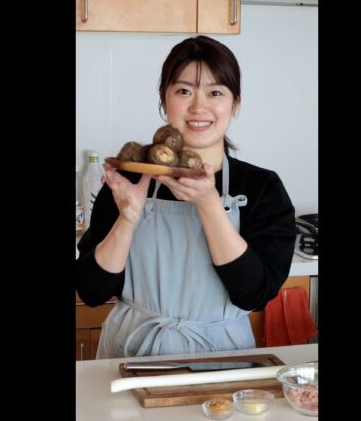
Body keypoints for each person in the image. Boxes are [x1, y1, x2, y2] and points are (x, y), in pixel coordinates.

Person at [76, 35, 296, 359]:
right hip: (129, 356)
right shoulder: (129, 179)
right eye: (183, 91)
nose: (198, 107)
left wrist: (208, 204)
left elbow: (253, 294)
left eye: (215, 92)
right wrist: (128, 218)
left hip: (222, 361)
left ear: (234, 103)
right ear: (164, 100)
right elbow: (92, 291)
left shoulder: (262, 188)